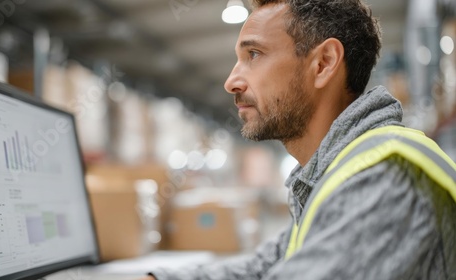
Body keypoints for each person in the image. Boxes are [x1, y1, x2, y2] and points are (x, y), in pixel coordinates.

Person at [142, 0, 456, 279]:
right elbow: (261, 268)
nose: (231, 82)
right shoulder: (328, 175)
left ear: (323, 63)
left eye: (254, 54)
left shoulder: (383, 177)